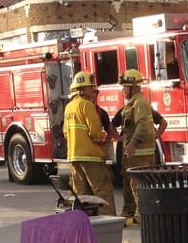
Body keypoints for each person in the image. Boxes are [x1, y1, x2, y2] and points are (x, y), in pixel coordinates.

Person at [64, 71, 114, 215]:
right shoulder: (87, 105)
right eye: (89, 87)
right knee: (102, 190)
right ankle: (108, 220)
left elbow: (66, 133)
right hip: (92, 157)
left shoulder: (68, 107)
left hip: (74, 157)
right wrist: (102, 144)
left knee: (80, 193)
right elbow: (95, 132)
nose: (93, 89)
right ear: (81, 89)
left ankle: (84, 221)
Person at [113, 69, 157, 224]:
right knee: (130, 182)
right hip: (133, 153)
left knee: (138, 183)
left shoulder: (140, 103)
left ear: (134, 87)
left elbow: (143, 126)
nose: (123, 90)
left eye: (125, 87)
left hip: (140, 153)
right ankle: (132, 210)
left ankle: (141, 215)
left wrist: (132, 144)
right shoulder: (131, 104)